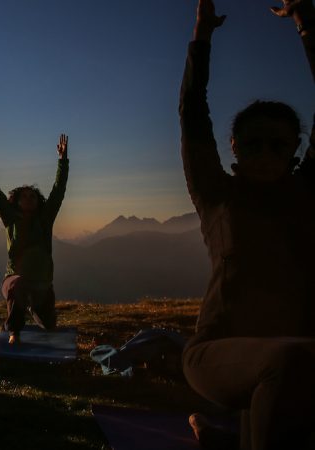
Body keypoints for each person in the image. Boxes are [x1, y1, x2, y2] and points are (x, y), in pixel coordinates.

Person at [179, 0, 315, 448]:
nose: (264, 154)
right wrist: (202, 37)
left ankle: (223, 436)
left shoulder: (304, 193)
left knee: (295, 363)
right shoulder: (216, 195)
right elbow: (193, 115)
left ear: (295, 147)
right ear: (234, 146)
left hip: (296, 354)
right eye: (253, 144)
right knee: (292, 362)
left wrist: (305, 24)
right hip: (216, 353)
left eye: (277, 145)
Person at [0, 136, 69, 345]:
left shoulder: (45, 220)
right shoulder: (10, 219)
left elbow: (58, 191)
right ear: (16, 201)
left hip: (41, 283)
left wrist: (62, 161)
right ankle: (14, 332)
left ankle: (32, 308)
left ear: (39, 202)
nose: (29, 198)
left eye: (33, 196)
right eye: (24, 196)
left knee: (49, 326)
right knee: (18, 285)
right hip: (14, 278)